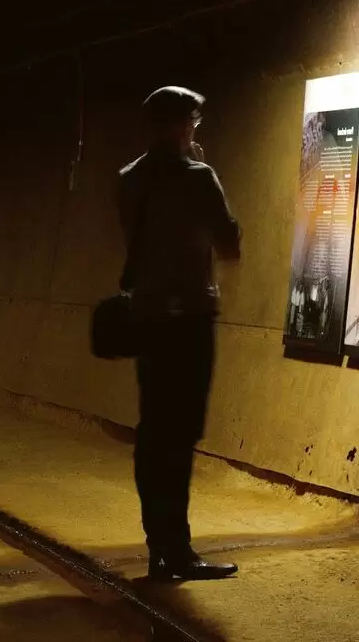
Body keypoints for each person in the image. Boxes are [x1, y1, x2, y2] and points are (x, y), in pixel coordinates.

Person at [118, 86, 241, 581]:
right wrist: (204, 172)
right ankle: (180, 550)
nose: (196, 129)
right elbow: (229, 240)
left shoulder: (127, 179)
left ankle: (158, 544)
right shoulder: (198, 175)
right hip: (188, 319)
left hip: (147, 318)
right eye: (194, 120)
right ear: (181, 124)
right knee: (181, 433)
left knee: (153, 432)